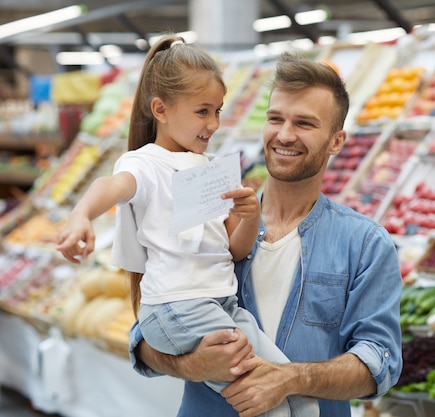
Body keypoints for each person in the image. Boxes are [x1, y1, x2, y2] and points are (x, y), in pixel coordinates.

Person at [129, 52, 404, 417]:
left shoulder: (365, 244)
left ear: (337, 141)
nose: (285, 135)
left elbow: (379, 362)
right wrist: (194, 365)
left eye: (305, 123)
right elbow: (145, 335)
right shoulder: (212, 216)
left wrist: (291, 378)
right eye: (276, 119)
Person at [56, 36, 319, 417]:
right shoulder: (144, 164)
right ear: (160, 109)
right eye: (202, 111)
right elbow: (110, 187)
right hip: (178, 307)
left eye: (218, 111)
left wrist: (250, 216)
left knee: (302, 399)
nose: (213, 123)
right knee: (272, 407)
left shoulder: (211, 170)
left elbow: (235, 250)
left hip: (223, 304)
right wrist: (81, 216)